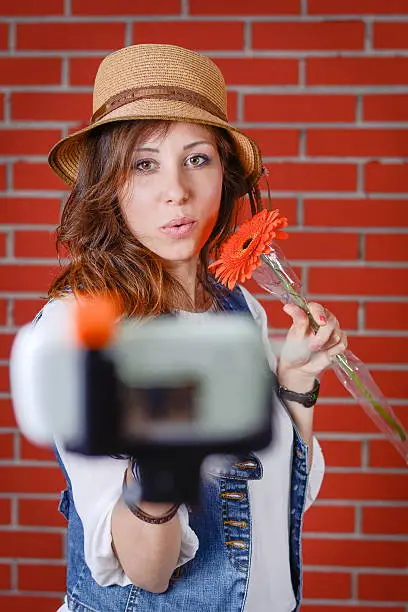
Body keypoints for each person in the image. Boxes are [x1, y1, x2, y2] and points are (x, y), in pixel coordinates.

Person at [21, 44, 347, 611]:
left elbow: (275, 506)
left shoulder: (239, 307)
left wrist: (294, 382)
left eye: (197, 158)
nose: (177, 189)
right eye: (144, 164)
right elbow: (146, 574)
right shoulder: (81, 328)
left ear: (224, 171)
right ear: (109, 183)